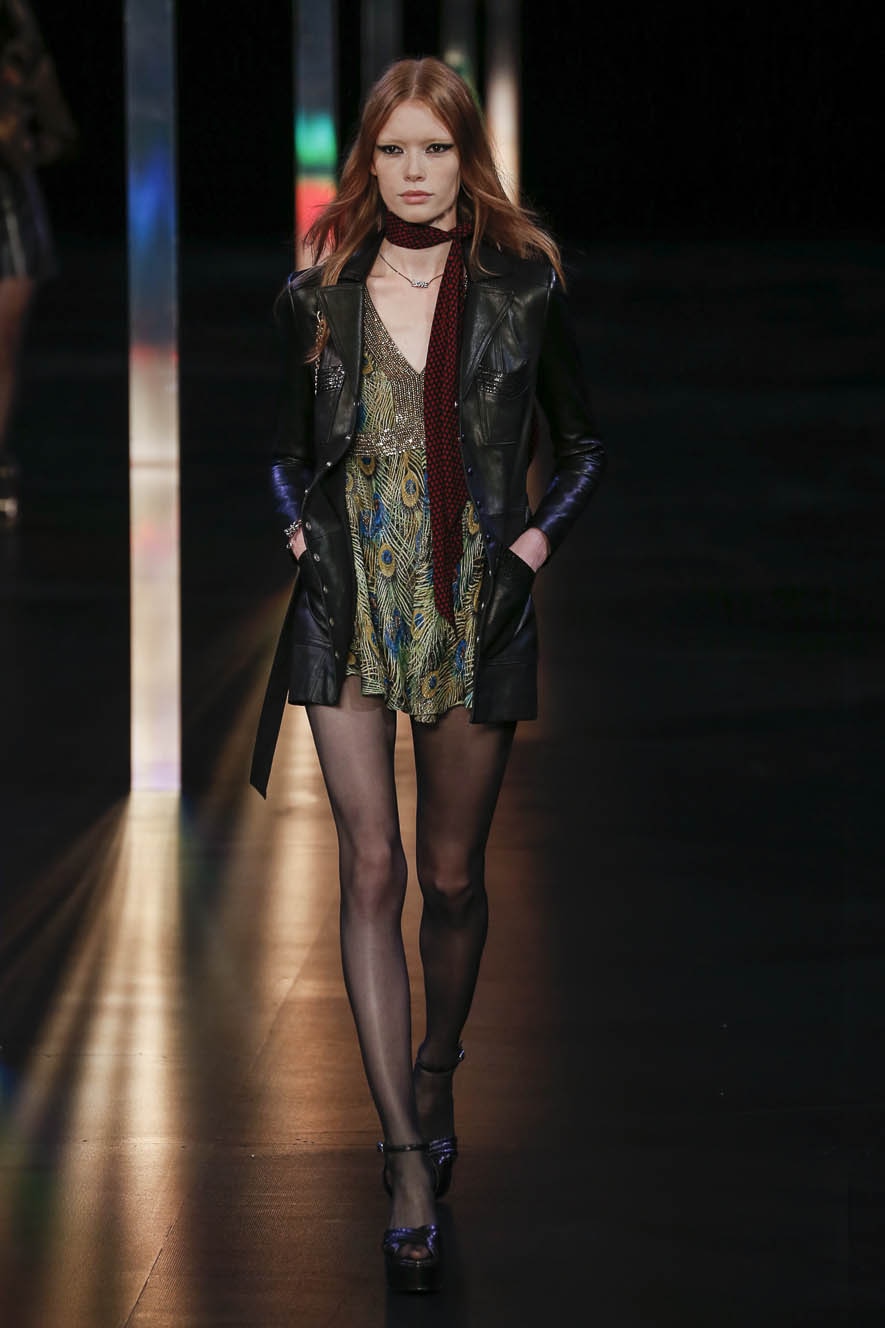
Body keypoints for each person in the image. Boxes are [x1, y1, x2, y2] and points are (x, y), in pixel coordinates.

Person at [250, 55, 607, 1293]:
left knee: (452, 879)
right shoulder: (320, 293)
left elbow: (585, 445)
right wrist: (300, 531)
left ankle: (438, 1064)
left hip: (472, 602)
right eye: (394, 149)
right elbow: (284, 451)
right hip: (350, 602)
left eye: (435, 149)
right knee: (372, 865)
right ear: (370, 159)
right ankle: (403, 1154)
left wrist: (531, 547)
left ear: (467, 157)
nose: (413, 171)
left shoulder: (523, 286)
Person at [0, 0, 77, 524]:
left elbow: (59, 133)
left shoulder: (20, 52)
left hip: (10, 210)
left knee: (3, 349)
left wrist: (23, 142)